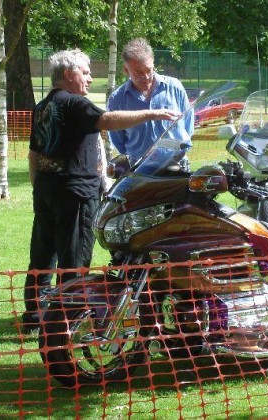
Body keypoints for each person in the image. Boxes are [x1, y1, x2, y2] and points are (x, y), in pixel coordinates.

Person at [23, 48, 179, 330]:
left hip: (46, 189)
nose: (90, 78)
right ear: (70, 75)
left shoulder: (42, 105)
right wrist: (152, 114)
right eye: (86, 72)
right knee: (75, 257)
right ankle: (66, 321)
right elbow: (107, 120)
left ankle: (34, 316)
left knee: (42, 255)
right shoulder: (74, 103)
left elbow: (33, 154)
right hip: (76, 192)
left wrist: (39, 188)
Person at [107, 38, 194, 167]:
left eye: (149, 70)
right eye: (139, 72)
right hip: (139, 168)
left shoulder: (174, 87)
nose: (146, 77)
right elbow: (118, 140)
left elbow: (188, 125)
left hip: (177, 165)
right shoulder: (117, 100)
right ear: (126, 70)